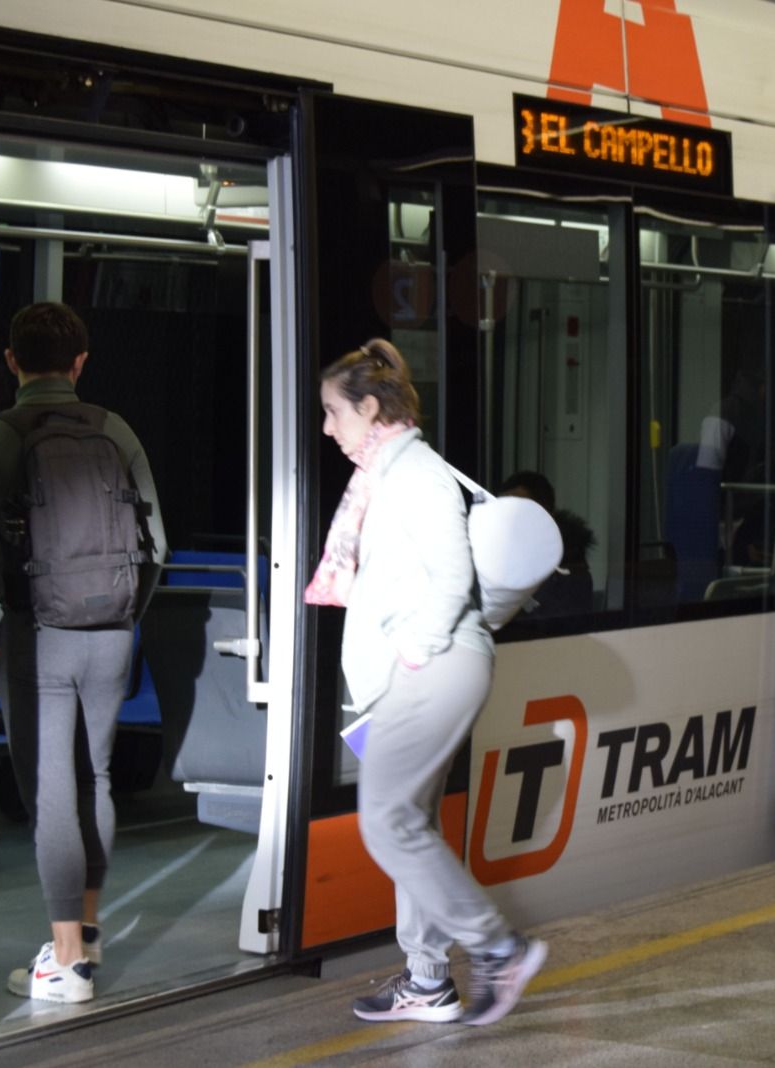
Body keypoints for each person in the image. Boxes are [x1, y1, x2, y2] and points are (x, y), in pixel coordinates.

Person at [310, 339, 545, 1027]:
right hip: (409, 677)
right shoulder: (385, 475)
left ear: (371, 408)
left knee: (385, 819)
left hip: (432, 668)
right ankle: (427, 980)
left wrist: (413, 654)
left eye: (334, 412)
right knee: (410, 821)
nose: (328, 428)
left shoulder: (416, 475)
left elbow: (450, 577)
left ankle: (499, 948)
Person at [0, 302, 167, 1003]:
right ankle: (84, 937)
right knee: (94, 777)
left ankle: (65, 965)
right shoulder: (116, 429)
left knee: (51, 794)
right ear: (80, 362)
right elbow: (157, 545)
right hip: (110, 636)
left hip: (37, 636)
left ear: (11, 362)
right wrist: (125, 614)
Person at [497, 470, 595, 617]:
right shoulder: (496, 555)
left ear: (546, 516)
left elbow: (549, 628)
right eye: (503, 512)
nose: (510, 522)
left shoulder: (569, 568)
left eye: (521, 513)